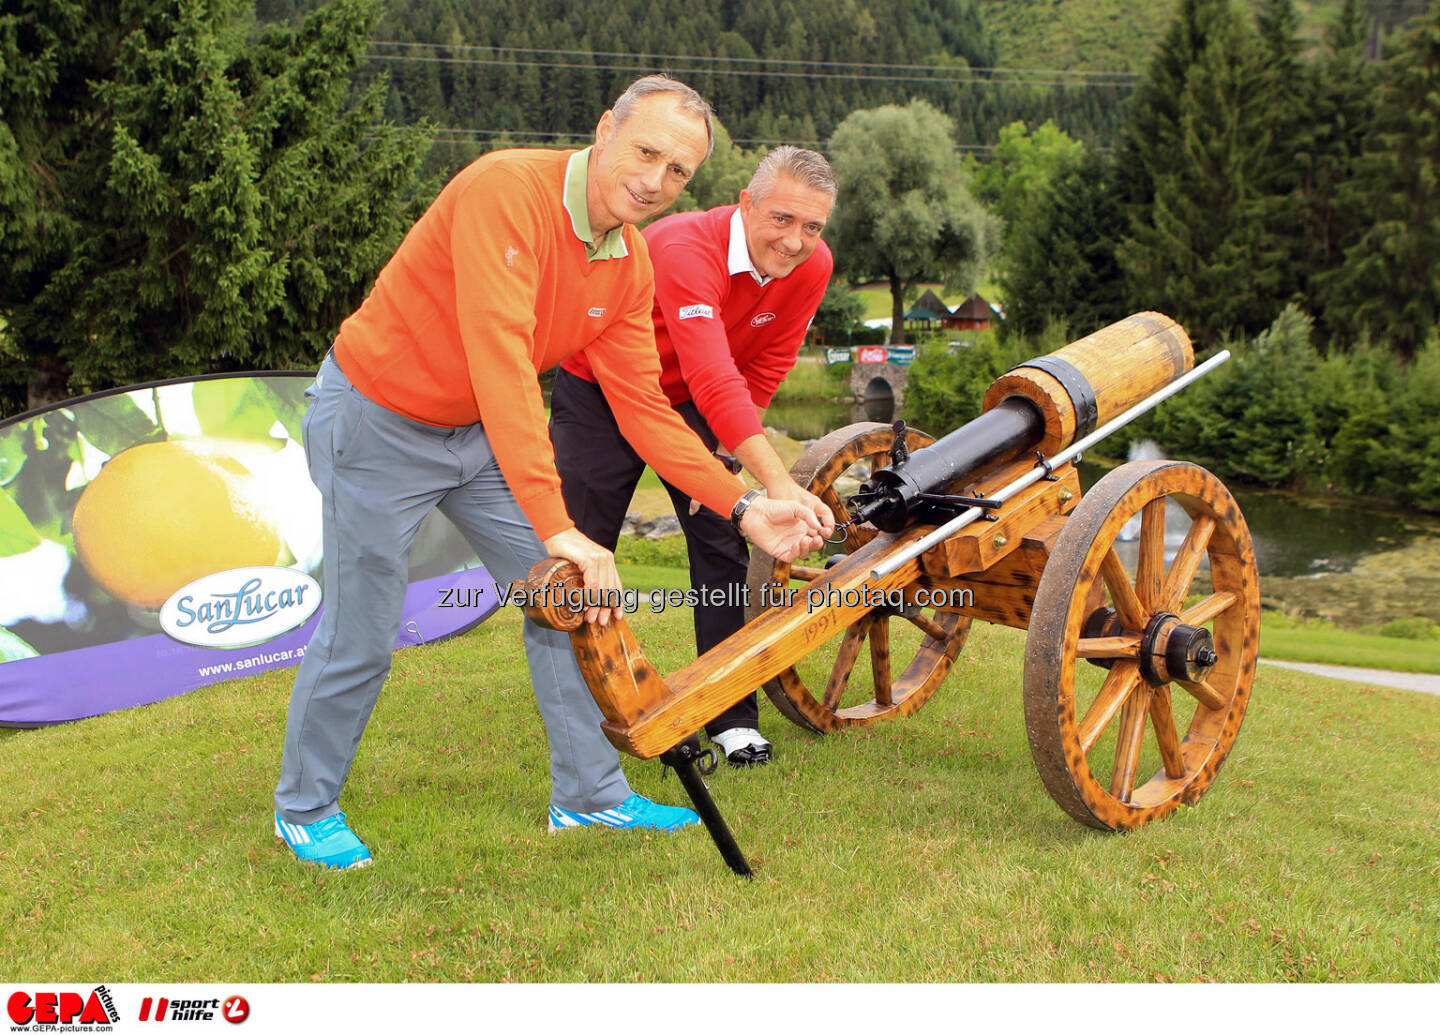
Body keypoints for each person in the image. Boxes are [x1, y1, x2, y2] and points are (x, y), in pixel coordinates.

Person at [272, 76, 830, 870]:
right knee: (362, 629)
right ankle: (305, 806)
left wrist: (743, 507)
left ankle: (589, 797)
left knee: (575, 603)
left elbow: (645, 408)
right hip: (376, 422)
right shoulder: (505, 189)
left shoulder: (628, 262)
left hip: (478, 437)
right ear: (605, 130)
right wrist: (560, 522)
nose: (655, 179)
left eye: (678, 172)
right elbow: (500, 356)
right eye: (646, 151)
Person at [552, 146, 837, 767]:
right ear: (746, 204)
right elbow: (713, 373)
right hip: (603, 391)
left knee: (720, 541)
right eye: (782, 220)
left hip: (697, 407)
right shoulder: (684, 246)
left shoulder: (813, 267)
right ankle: (594, 710)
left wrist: (724, 448)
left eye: (812, 227)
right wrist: (775, 481)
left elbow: (764, 365)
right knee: (584, 549)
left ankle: (728, 714)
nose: (795, 242)